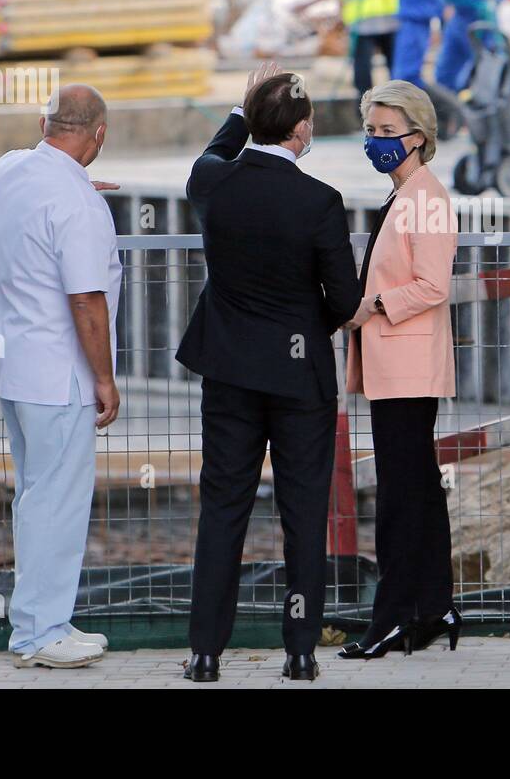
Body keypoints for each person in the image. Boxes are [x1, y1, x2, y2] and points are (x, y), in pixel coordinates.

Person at [177, 65, 362, 683]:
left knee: (222, 507)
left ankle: (205, 653)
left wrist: (240, 110)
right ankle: (301, 651)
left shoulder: (212, 184)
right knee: (303, 510)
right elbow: (344, 298)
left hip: (228, 370)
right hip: (297, 372)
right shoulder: (319, 202)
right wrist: (306, 325)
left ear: (252, 123)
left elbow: (213, 152)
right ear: (303, 129)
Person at [0, 84, 120, 668]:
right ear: (99, 135)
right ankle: (41, 632)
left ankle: (35, 621)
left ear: (43, 122)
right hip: (61, 376)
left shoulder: (12, 170)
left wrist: (70, 182)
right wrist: (105, 378)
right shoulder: (80, 207)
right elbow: (87, 300)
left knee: (35, 498)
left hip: (15, 367)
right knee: (58, 501)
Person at [338, 80, 460, 659]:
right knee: (418, 489)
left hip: (408, 364)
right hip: (395, 362)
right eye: (371, 130)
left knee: (399, 495)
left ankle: (391, 617)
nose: (376, 141)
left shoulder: (426, 197)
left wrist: (373, 306)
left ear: (418, 136)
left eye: (388, 132)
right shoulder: (403, 194)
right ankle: (434, 608)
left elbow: (434, 284)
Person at [295, 0, 400, 113]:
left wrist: (308, 4)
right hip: (391, 15)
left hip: (363, 18)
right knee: (395, 70)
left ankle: (366, 116)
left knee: (362, 74)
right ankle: (398, 113)